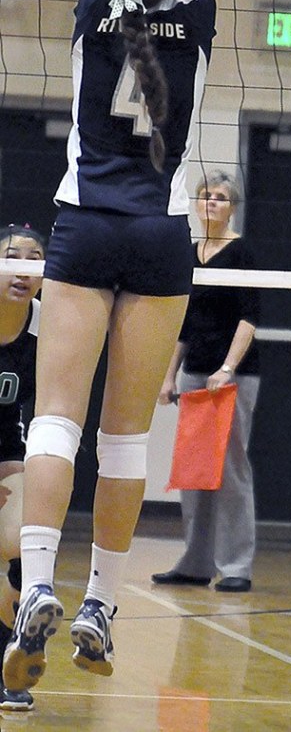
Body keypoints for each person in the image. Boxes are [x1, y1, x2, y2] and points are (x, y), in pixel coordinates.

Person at [2, 0, 288, 694]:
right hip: (163, 236)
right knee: (127, 438)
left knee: (55, 424)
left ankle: (38, 583)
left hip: (84, 220)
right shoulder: (198, 10)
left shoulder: (90, 6)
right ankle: (100, 602)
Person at [152, 170, 260, 593]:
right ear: (196, 205)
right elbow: (184, 323)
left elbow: (250, 317)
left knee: (231, 469)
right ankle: (196, 563)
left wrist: (227, 368)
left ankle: (236, 566)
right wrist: (168, 375)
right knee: (194, 471)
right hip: (196, 371)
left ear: (232, 207)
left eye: (219, 197)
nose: (211, 202)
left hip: (234, 375)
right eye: (205, 196)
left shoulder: (243, 252)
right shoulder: (189, 253)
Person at [0, 225, 45, 711]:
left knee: (18, 543)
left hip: (8, 448)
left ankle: (11, 668)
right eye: (14, 257)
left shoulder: (46, 324)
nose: (26, 267)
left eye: (36, 259)